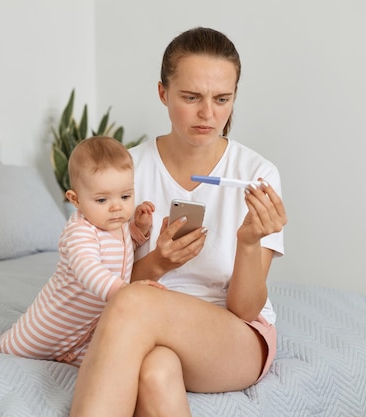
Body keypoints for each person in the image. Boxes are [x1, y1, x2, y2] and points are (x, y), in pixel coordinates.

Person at [69, 27, 288, 417]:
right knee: (156, 371)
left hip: (234, 338)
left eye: (223, 99)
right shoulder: (126, 171)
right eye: (191, 97)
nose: (209, 114)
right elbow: (94, 285)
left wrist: (250, 242)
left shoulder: (256, 173)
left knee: (136, 301)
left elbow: (246, 310)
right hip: (150, 334)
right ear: (163, 93)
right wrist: (159, 263)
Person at [0, 135, 162, 366]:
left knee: (109, 359)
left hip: (86, 329)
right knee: (12, 349)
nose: (117, 207)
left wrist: (139, 229)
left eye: (125, 196)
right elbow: (88, 268)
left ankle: (67, 355)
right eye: (102, 200)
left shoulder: (119, 225)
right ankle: (16, 345)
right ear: (76, 199)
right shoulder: (80, 231)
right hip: (55, 322)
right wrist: (124, 291)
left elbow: (122, 251)